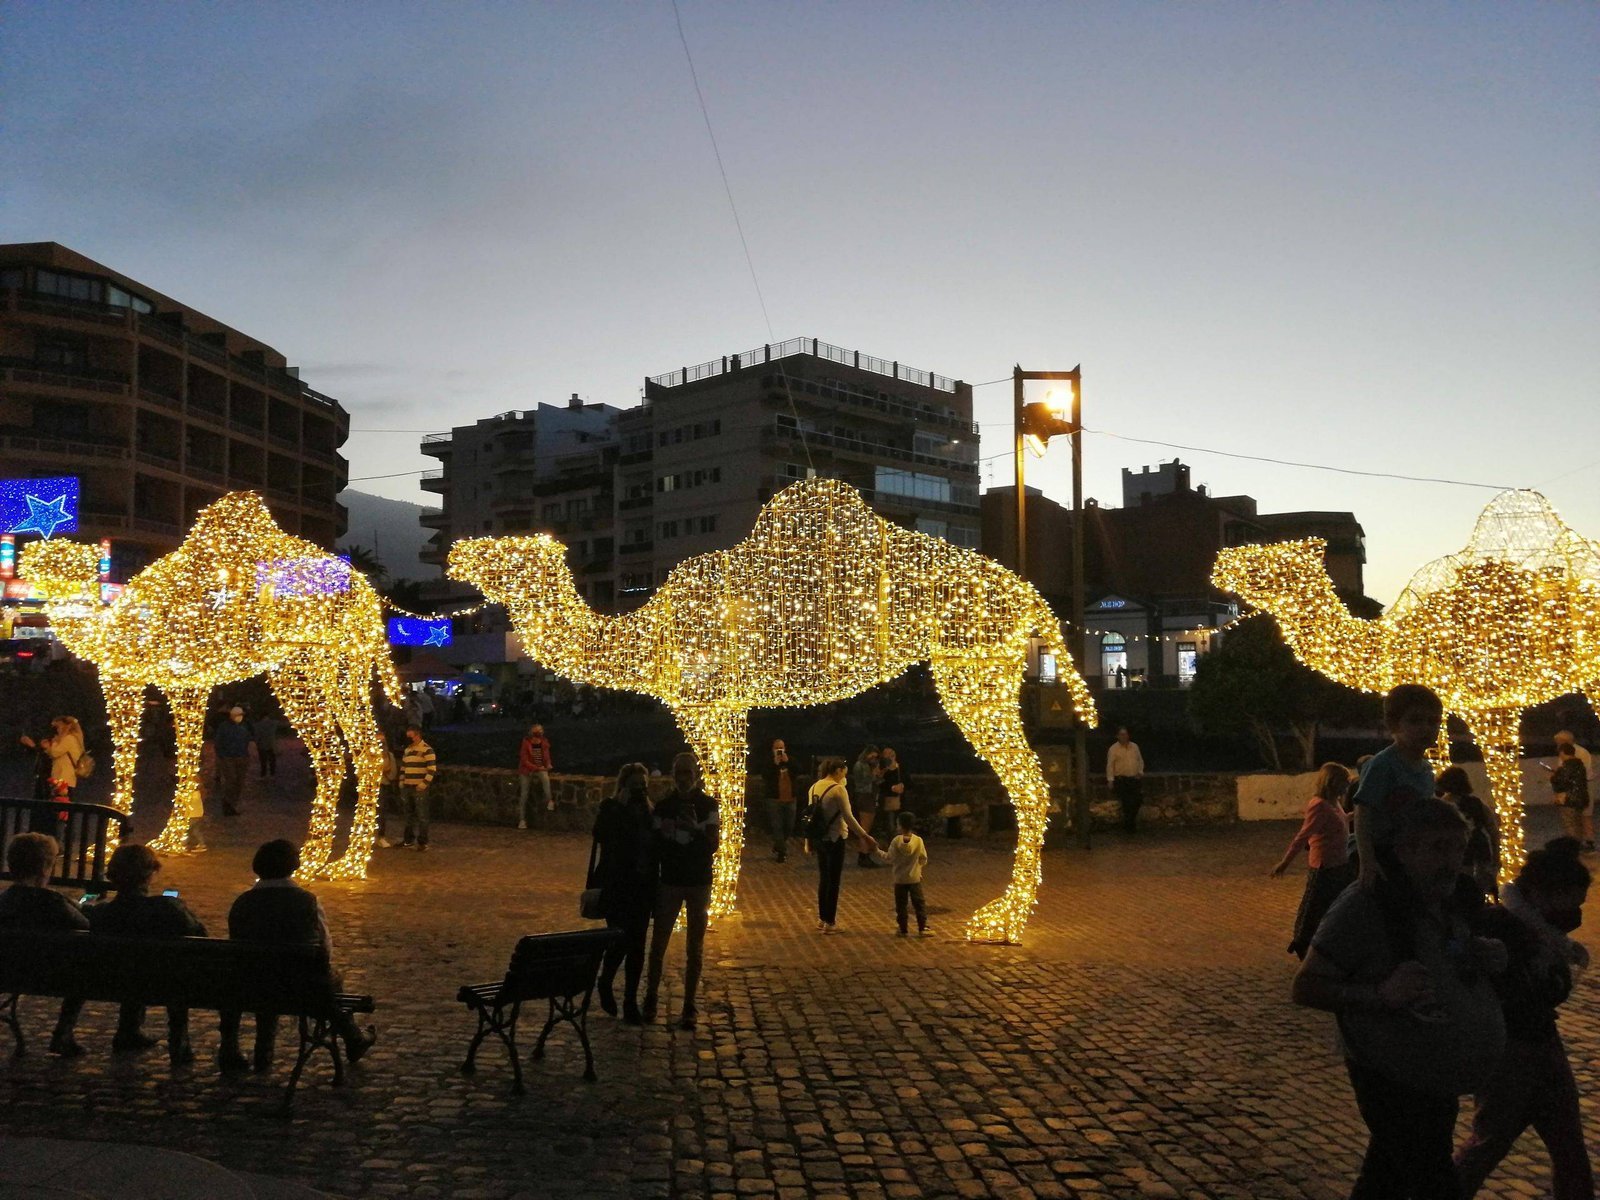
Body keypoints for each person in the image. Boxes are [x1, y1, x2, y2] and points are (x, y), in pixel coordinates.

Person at [1293, 798, 1507, 1198]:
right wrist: (1380, 994)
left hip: (1436, 1072)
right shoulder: (1365, 904)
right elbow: (1306, 986)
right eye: (1438, 847)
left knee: (1385, 1180)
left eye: (1458, 848)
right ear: (1405, 851)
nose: (1451, 861)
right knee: (1434, 1181)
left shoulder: (1451, 899)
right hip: (1388, 1074)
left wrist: (1483, 955)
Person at [1455, 837, 1593, 1198]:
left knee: (1569, 1149)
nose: (1577, 912)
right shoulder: (1503, 928)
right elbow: (1514, 991)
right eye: (1573, 901)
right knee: (1487, 1145)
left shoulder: (1545, 933)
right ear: (1543, 894)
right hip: (1510, 1053)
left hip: (1542, 1044)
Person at [218, 839, 375, 1074]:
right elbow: (324, 947)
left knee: (266, 970)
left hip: (250, 983)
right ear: (293, 865)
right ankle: (352, 1036)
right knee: (331, 980)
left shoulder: (243, 902)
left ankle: (260, 1052)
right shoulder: (306, 900)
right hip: (300, 986)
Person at [87, 843, 208, 1065]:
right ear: (150, 874)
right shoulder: (168, 909)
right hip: (165, 982)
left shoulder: (101, 914)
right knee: (168, 966)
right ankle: (178, 1040)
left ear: (112, 876)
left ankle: (129, 1029)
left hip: (110, 981)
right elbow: (200, 935)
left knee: (132, 963)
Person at [642, 752, 719, 1029]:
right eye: (679, 773)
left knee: (695, 948)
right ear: (673, 775)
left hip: (698, 881)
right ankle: (651, 998)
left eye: (688, 772)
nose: (684, 778)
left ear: (696, 774)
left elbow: (713, 844)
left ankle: (689, 1004)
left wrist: (694, 829)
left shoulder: (708, 805)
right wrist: (665, 832)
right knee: (658, 944)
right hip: (671, 880)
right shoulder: (664, 806)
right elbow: (654, 846)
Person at [0, 833, 91, 1057]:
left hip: (6, 972)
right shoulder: (54, 904)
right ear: (44, 868)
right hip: (52, 974)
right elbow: (85, 926)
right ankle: (63, 1032)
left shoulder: (4, 901)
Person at [1354, 684, 1444, 887]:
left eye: (1433, 721)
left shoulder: (1426, 768)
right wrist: (1367, 861)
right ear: (1393, 724)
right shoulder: (1382, 764)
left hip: (1414, 853)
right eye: (1415, 720)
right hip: (1385, 854)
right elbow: (1363, 812)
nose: (1426, 728)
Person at [591, 763, 656, 1024]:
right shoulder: (610, 807)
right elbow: (600, 835)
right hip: (617, 885)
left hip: (642, 886)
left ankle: (630, 1002)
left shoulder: (649, 811)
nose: (639, 790)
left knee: (637, 945)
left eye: (643, 786)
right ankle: (605, 981)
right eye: (634, 785)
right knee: (619, 940)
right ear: (623, 785)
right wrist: (621, 807)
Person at [1271, 762, 1355, 959]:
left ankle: (1328, 943)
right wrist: (1285, 863)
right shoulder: (1319, 805)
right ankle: (1302, 943)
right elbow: (1303, 836)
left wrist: (1357, 814)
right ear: (1332, 782)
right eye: (1344, 781)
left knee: (1335, 906)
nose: (1347, 785)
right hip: (1323, 866)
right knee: (1313, 908)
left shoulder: (1334, 802)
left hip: (1339, 863)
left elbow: (1341, 821)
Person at [809, 757, 876, 934]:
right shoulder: (838, 790)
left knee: (824, 878)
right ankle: (830, 922)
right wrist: (864, 836)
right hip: (835, 837)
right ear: (838, 771)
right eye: (844, 773)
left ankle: (822, 918)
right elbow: (848, 817)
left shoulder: (814, 787)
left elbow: (812, 816)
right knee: (834, 880)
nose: (845, 776)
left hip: (820, 838)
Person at [1436, 767, 1500, 896]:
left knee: (1461, 884)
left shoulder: (1442, 804)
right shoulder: (1477, 803)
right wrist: (1496, 855)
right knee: (1480, 884)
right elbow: (1493, 830)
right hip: (1480, 847)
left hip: (1459, 849)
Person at [870, 812, 931, 936]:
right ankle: (922, 927)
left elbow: (889, 857)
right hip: (914, 878)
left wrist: (877, 851)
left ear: (900, 825)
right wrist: (918, 869)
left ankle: (903, 929)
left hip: (900, 879)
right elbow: (923, 858)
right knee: (919, 904)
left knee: (901, 905)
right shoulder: (918, 841)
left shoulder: (896, 841)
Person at [20, 716, 85, 800]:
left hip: (64, 778)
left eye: (58, 727)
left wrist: (54, 742)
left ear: (67, 726)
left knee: (61, 803)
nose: (56, 730)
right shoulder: (67, 739)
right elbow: (54, 753)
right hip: (61, 777)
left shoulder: (69, 739)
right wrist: (46, 747)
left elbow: (55, 753)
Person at [399, 724, 437, 850]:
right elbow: (404, 767)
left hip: (419, 787)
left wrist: (423, 784)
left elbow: (431, 769)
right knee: (408, 815)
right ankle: (408, 839)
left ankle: (422, 842)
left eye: (410, 736)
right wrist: (402, 781)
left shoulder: (427, 750)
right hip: (407, 786)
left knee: (422, 815)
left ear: (417, 735)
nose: (408, 739)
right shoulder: (408, 750)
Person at [1549, 742, 1592, 851]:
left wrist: (1553, 777)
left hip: (1568, 799)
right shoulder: (1580, 765)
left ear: (1563, 753)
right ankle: (1579, 845)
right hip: (1581, 798)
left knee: (1570, 824)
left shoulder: (1567, 766)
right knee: (1578, 824)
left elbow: (1561, 783)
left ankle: (1573, 848)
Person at [760, 739, 796, 863]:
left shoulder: (790, 760)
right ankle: (782, 852)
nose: (779, 750)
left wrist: (788, 762)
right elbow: (765, 775)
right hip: (774, 799)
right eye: (777, 748)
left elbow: (799, 770)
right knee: (777, 826)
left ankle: (779, 844)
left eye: (781, 748)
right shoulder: (769, 762)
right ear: (773, 749)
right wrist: (774, 765)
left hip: (790, 798)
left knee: (789, 826)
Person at [214, 705, 252, 816]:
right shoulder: (224, 727)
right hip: (228, 758)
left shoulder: (244, 726)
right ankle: (228, 804)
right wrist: (222, 756)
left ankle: (232, 805)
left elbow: (247, 739)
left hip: (241, 757)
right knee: (231, 781)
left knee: (239, 783)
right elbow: (218, 742)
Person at [1106, 726, 1145, 834]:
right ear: (1117, 736)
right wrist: (1110, 780)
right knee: (1127, 802)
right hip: (1122, 779)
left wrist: (1140, 772)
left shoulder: (1134, 747)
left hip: (1134, 778)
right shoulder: (1113, 749)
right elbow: (1110, 765)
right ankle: (1129, 826)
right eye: (1122, 734)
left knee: (1137, 800)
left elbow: (1140, 760)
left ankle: (1130, 823)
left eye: (1126, 734)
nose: (1124, 736)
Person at [517, 723, 554, 828]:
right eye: (537, 730)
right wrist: (536, 768)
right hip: (527, 770)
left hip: (540, 768)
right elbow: (524, 760)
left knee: (545, 779)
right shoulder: (526, 743)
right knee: (524, 794)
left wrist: (548, 764)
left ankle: (550, 800)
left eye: (541, 730)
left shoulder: (544, 742)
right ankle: (522, 820)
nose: (540, 732)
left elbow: (546, 757)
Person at [252, 712, 280, 779]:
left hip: (262, 745)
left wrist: (256, 743)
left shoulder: (257, 725)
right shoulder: (274, 723)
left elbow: (257, 736)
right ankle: (272, 774)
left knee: (263, 761)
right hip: (271, 744)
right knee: (272, 760)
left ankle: (263, 774)